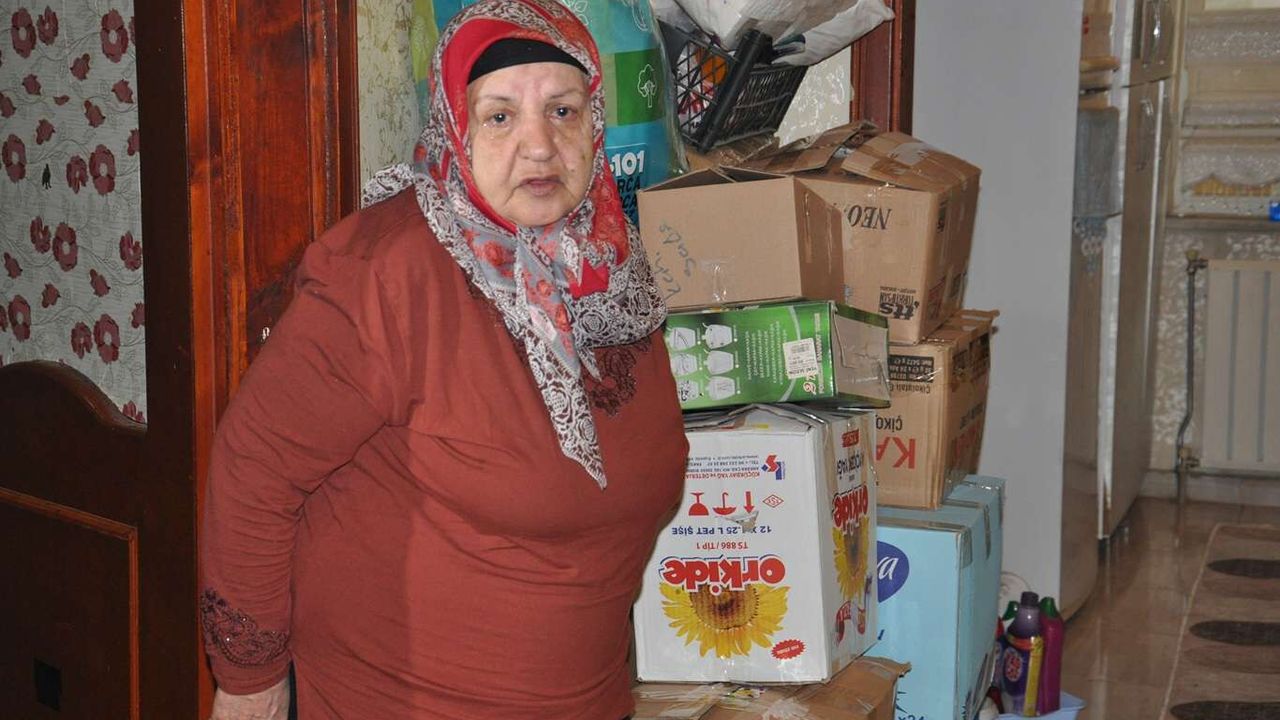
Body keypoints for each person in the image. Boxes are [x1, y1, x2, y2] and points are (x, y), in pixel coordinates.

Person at [200, 1, 689, 717]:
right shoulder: (385, 273)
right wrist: (251, 683)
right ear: (454, 128)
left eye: (562, 111)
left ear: (596, 123)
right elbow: (253, 470)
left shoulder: (612, 270)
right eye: (500, 116)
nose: (539, 147)